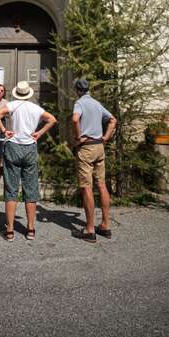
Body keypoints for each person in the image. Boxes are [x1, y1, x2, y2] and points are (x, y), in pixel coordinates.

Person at [0, 80, 57, 242]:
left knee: (11, 189)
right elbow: (52, 120)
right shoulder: (36, 108)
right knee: (31, 189)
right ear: (28, 94)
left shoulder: (13, 105)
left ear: (17, 93)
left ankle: (9, 231)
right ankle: (30, 229)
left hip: (13, 146)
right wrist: (39, 133)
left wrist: (4, 130)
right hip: (30, 148)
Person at [71, 78, 117, 243]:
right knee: (102, 185)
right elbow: (113, 120)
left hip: (87, 147)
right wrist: (105, 137)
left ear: (77, 89)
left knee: (86, 187)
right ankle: (105, 225)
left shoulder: (80, 103)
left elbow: (75, 119)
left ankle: (90, 230)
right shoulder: (97, 103)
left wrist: (78, 137)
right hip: (99, 147)